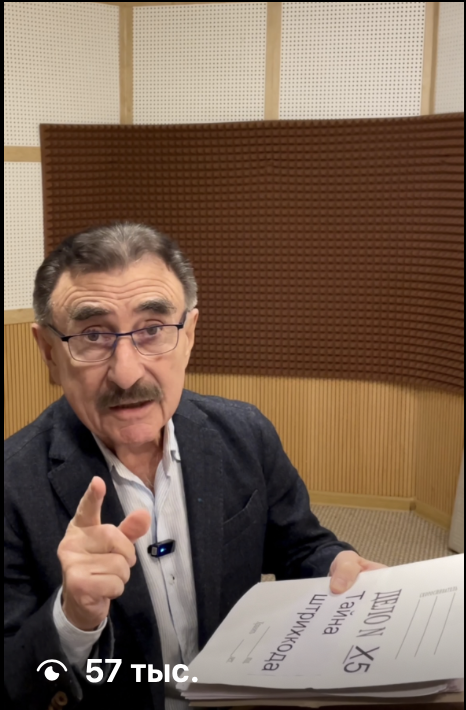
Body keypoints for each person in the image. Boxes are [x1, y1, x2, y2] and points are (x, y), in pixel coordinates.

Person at [4, 223, 385, 710]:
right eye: (93, 335)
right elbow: (14, 679)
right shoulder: (12, 486)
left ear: (189, 335)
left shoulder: (244, 434)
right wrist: (72, 618)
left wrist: (336, 563)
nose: (127, 373)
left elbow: (299, 545)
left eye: (153, 330)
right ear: (49, 352)